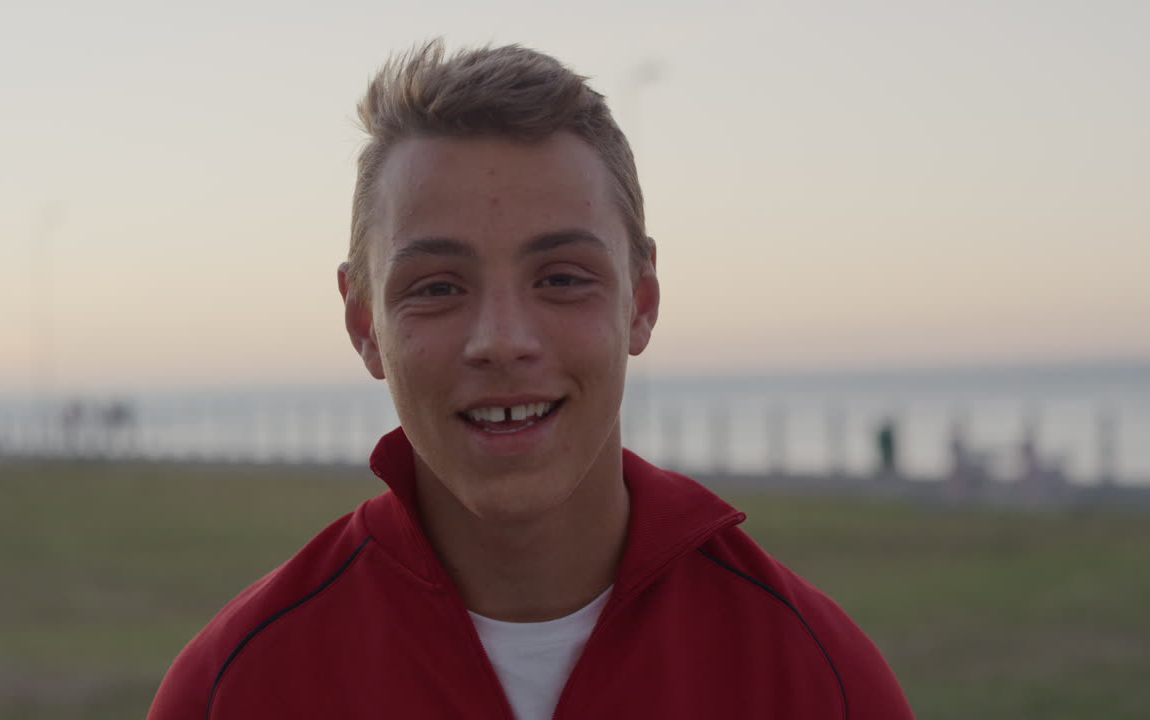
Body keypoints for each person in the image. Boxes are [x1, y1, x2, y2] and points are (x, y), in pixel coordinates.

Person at [148, 40, 914, 719]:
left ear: (640, 302)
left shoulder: (818, 680)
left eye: (562, 278)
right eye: (438, 287)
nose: (501, 342)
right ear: (363, 324)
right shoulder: (234, 688)